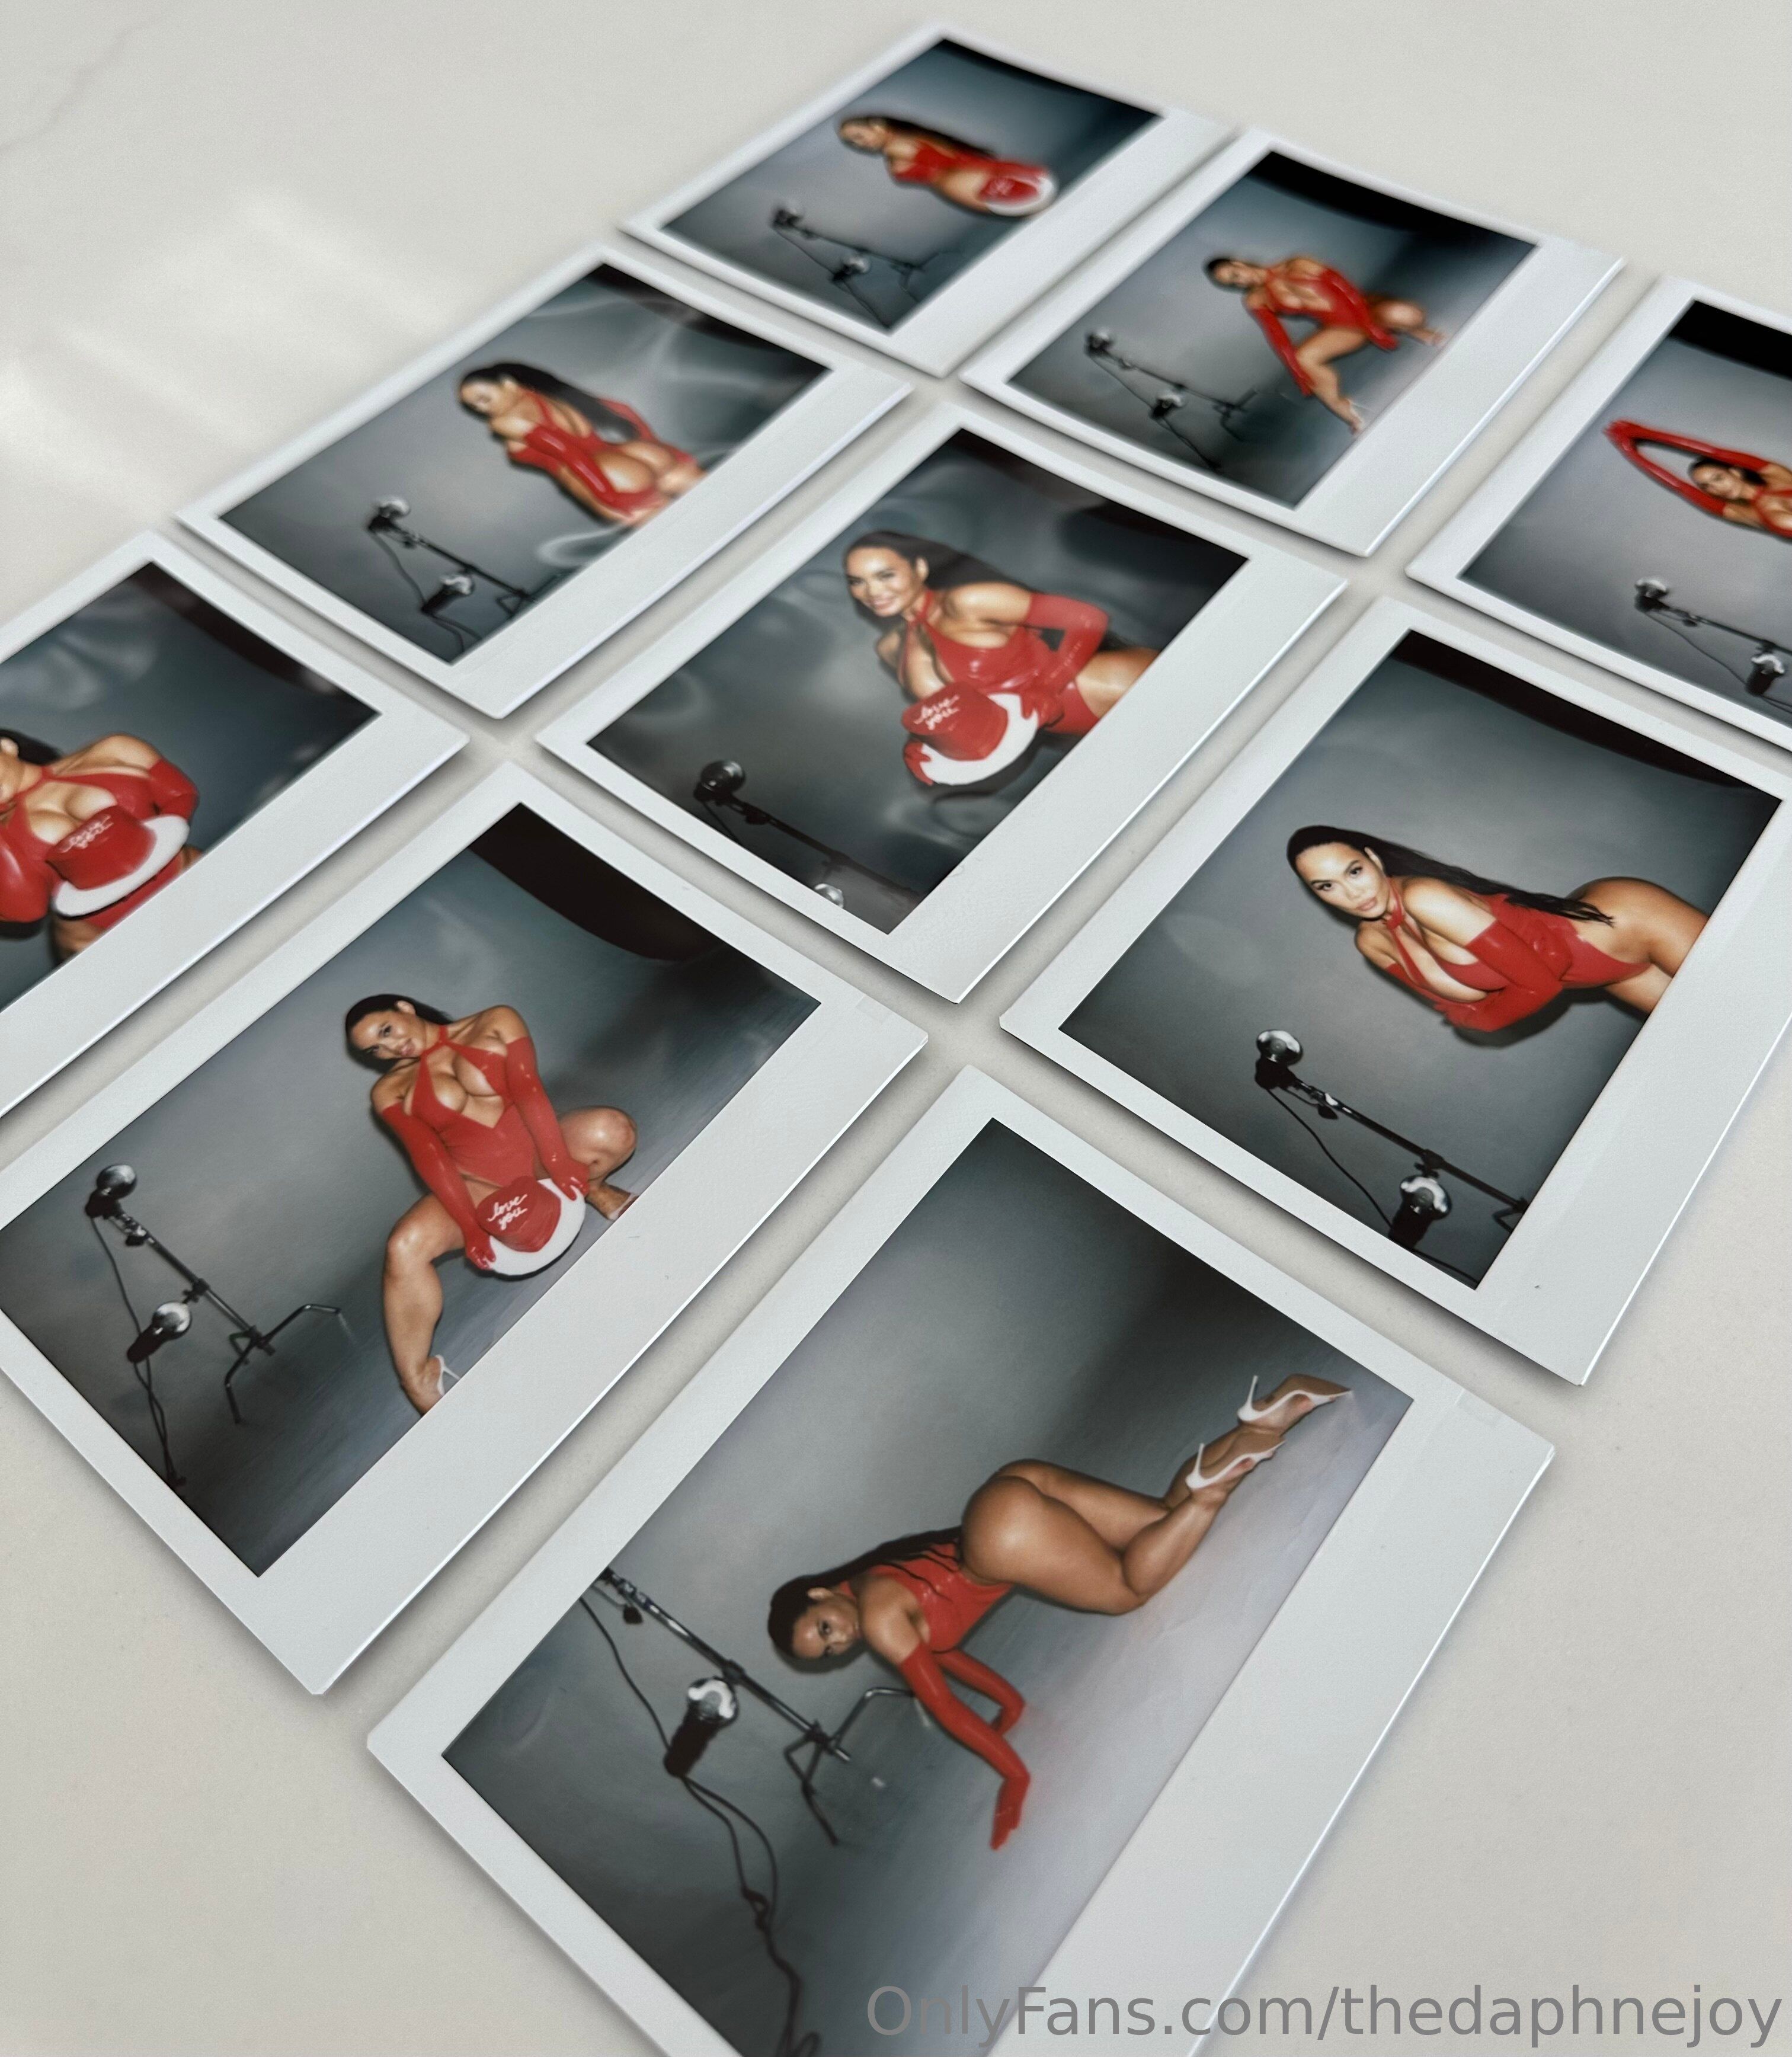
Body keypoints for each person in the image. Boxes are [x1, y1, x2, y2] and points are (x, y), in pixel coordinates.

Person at [767, 1373, 1348, 1848]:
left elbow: (943, 1707)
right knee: (1160, 1517)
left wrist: (1016, 1777)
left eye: (824, 1628)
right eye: (829, 1650)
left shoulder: (879, 1620)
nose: (840, 1640)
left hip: (1002, 1536)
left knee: (1127, 1589)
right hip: (1010, 1487)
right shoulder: (870, 1582)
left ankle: (1213, 1492)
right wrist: (1010, 1703)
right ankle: (1273, 1414)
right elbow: (949, 1660)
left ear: (819, 1593)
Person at [345, 996, 638, 1413]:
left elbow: (529, 1091)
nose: (389, 1048)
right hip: (479, 1187)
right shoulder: (389, 1091)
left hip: (539, 1157)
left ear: (404, 1008)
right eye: (376, 1049)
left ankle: (595, 1189)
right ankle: (419, 1379)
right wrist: (469, 1225)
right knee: (404, 1247)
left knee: (612, 1130)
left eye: (386, 1031)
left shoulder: (495, 1021)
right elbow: (431, 1159)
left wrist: (557, 1162)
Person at [1286, 826, 1708, 1029]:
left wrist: (1489, 1019)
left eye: (1354, 871)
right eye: (1327, 886)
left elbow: (1540, 986)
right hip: (1608, 972)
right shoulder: (1372, 942)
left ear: (1374, 860)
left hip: (1627, 921)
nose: (1352, 893)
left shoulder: (1424, 896)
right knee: (1709, 1033)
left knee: (1739, 999)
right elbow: (1456, 1010)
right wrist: (1491, 1011)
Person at [841, 531, 1159, 786]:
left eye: (885, 575)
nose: (873, 591)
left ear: (919, 568)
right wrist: (924, 743)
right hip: (1074, 727)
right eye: (857, 581)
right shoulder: (890, 648)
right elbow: (956, 705)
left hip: (1112, 685)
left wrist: (1048, 686)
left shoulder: (966, 602)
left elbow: (1087, 619)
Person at [0, 728, 200, 958]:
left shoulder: (112, 752)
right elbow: (27, 910)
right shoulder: (5, 838)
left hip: (192, 880)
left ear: (6, 746)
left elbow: (181, 795)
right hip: (101, 941)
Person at [1204, 255, 1443, 431]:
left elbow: (1346, 291)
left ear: (1239, 263)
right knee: (1303, 359)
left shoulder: (1297, 264)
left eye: (1235, 275)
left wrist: (1371, 328)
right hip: (1341, 329)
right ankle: (1348, 413)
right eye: (1232, 284)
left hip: (1363, 308)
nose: (1239, 282)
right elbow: (1278, 338)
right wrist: (1300, 375)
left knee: (1405, 315)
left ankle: (1417, 331)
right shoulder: (1256, 299)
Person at [456, 362, 705, 527]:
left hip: (608, 477)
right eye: (474, 406)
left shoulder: (504, 421)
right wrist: (654, 444)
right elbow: (621, 409)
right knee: (716, 504)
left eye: (484, 399)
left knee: (682, 546)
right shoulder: (548, 391)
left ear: (508, 384)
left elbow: (568, 452)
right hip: (637, 453)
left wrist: (608, 496)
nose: (482, 409)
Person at [836, 113, 1057, 216]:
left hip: (980, 181)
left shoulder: (895, 147)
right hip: (986, 176)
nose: (858, 144)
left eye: (858, 136)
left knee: (1040, 209)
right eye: (852, 142)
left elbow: (946, 164)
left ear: (877, 126)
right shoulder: (912, 136)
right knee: (1043, 206)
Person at [1604, 421, 1792, 540]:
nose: (1717, 488)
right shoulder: (1740, 513)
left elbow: (1715, 451)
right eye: (1707, 486)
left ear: (1735, 471)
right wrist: (1629, 451)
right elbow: (1679, 486)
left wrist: (1643, 432)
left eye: (1718, 478)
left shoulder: (1780, 478)